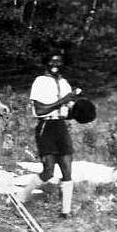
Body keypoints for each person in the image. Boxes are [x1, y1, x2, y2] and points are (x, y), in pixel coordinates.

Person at [18, 52, 81, 217]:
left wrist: (79, 110)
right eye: (52, 61)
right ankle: (21, 198)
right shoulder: (40, 81)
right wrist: (63, 100)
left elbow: (68, 111)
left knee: (67, 169)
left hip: (60, 126)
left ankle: (65, 212)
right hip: (46, 126)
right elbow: (40, 110)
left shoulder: (65, 83)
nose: (55, 64)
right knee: (48, 171)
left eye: (59, 62)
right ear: (46, 63)